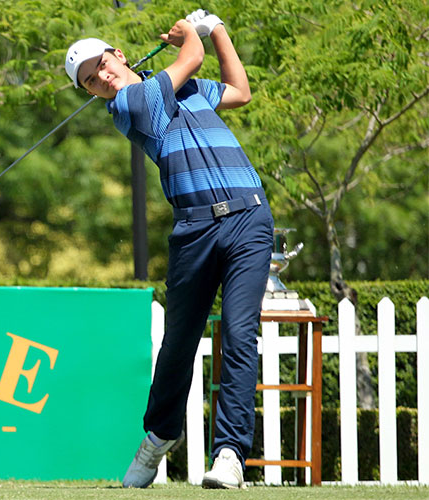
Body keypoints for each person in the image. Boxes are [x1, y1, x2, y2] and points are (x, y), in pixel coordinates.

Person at [64, 10, 274, 489]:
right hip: (194, 231)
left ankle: (229, 455)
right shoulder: (131, 104)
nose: (100, 78)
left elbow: (239, 91)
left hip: (249, 217)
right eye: (90, 81)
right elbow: (191, 55)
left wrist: (219, 29)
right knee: (178, 344)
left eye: (101, 64)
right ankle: (157, 439)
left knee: (241, 335)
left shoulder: (182, 90)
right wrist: (191, 34)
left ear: (118, 54)